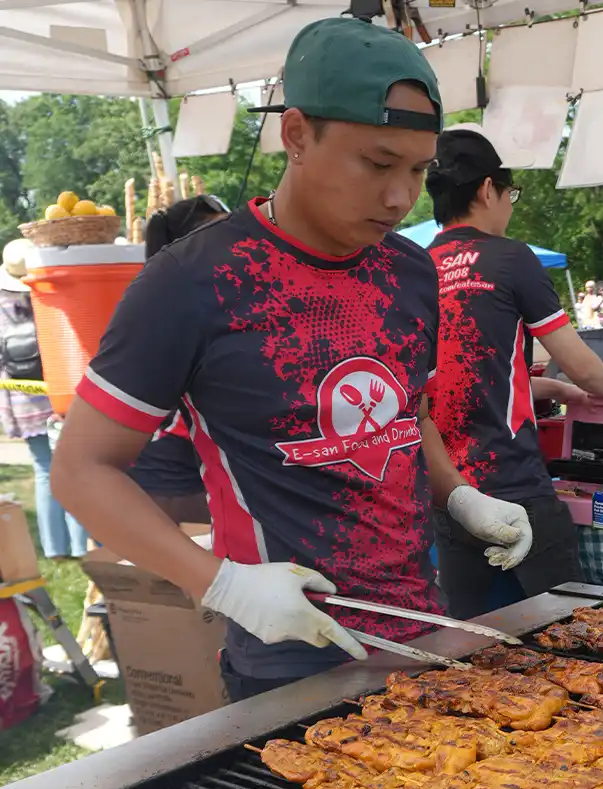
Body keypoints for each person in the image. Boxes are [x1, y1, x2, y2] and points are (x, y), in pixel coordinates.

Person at [50, 18, 536, 702]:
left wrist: (459, 495)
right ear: (297, 134)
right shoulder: (194, 280)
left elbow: (403, 415)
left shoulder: (409, 272)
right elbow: (79, 470)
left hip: (423, 630)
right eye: (377, 163)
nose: (400, 197)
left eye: (418, 171)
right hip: (292, 658)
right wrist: (222, 584)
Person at [423, 129, 603, 619]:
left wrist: (556, 389)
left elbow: (465, 376)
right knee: (564, 630)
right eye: (509, 194)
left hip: (450, 493)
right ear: (489, 188)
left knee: (472, 645)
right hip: (511, 481)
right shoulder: (510, 257)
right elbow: (582, 361)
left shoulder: (417, 266)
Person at [127, 195, 230, 525]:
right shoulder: (185, 313)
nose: (242, 245)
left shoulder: (213, 305)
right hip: (174, 487)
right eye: (225, 237)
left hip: (186, 479)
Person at [0, 239, 89, 559]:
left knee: (43, 472)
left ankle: (54, 548)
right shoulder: (50, 297)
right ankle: (82, 545)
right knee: (74, 470)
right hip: (59, 395)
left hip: (22, 398)